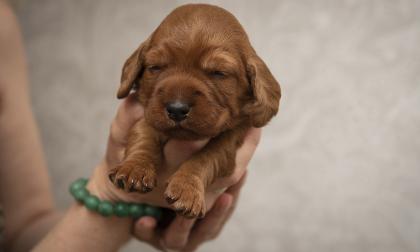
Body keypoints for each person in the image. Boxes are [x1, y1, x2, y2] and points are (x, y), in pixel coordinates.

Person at [0, 1, 261, 251]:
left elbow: (25, 226)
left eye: (218, 72)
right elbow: (145, 129)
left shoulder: (4, 26)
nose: (178, 102)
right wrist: (122, 181)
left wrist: (188, 182)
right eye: (157, 67)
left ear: (253, 82)